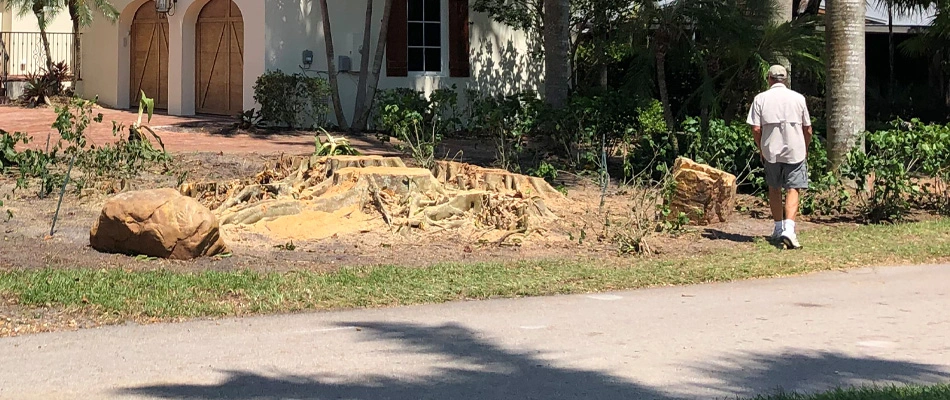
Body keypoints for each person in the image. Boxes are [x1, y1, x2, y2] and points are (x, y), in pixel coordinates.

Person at [746, 65, 812, 249]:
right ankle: (789, 230)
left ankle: (778, 227)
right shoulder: (798, 98)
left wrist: (761, 147)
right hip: (795, 151)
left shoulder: (760, 99)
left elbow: (756, 128)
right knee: (793, 188)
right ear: (786, 79)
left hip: (771, 151)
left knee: (774, 188)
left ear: (769, 79)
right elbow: (808, 129)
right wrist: (805, 147)